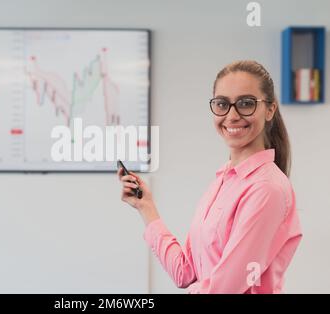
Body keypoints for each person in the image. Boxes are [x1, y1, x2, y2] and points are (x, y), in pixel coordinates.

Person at [118, 60, 303, 294]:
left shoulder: (267, 189)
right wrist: (146, 207)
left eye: (246, 103)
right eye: (222, 104)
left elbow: (223, 289)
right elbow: (185, 272)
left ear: (270, 110)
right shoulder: (224, 180)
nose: (232, 115)